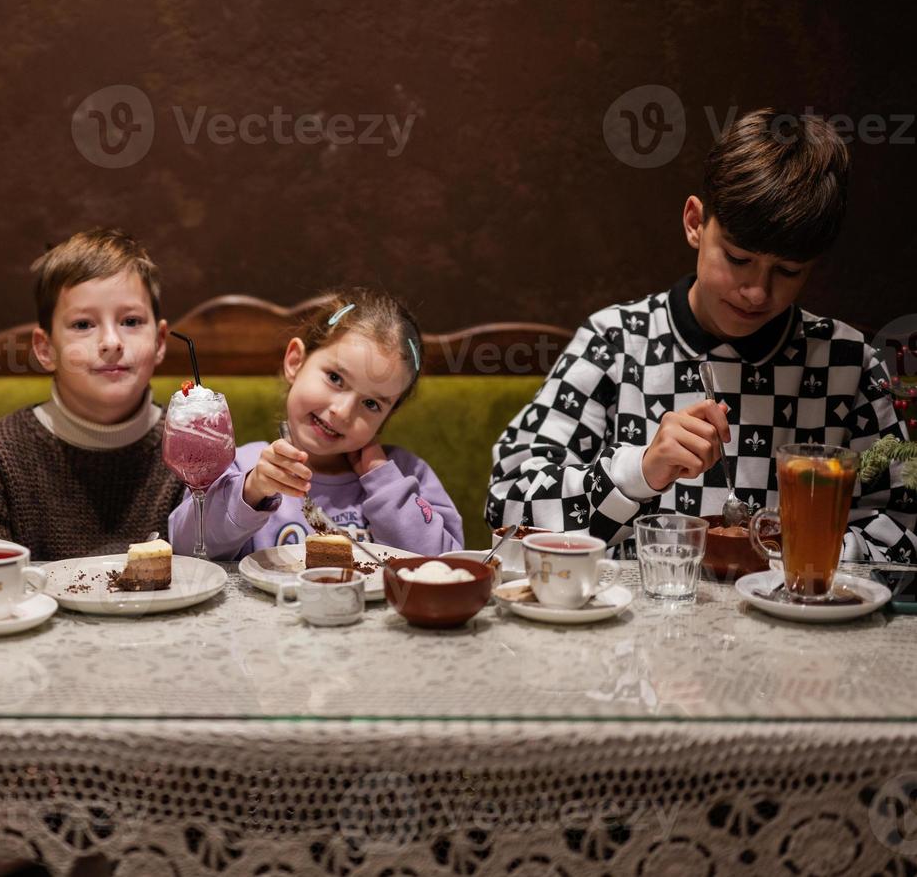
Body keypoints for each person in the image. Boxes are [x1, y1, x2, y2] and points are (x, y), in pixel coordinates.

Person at [487, 109, 916, 561]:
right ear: (695, 222)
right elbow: (508, 503)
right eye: (736, 258)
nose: (757, 292)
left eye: (788, 271)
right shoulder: (615, 341)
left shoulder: (847, 363)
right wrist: (639, 472)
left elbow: (905, 529)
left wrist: (800, 550)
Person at [170, 286, 463, 559]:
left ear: (388, 415)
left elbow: (444, 566)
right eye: (335, 378)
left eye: (372, 404)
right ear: (295, 361)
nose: (343, 411)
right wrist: (252, 490)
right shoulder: (243, 467)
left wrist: (383, 482)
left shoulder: (407, 476)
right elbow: (186, 548)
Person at [0, 228, 185, 559]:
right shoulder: (4, 451)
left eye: (131, 321)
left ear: (160, 341)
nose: (111, 342)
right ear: (45, 348)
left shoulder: (190, 447)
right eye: (83, 325)